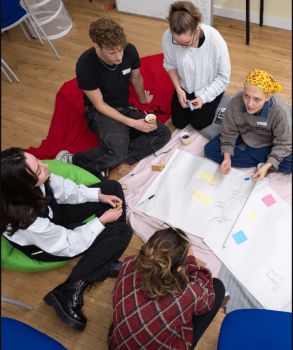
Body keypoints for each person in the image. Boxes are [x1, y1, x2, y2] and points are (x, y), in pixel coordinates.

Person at [0, 147, 133, 332]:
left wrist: (98, 195)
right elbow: (68, 244)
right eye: (38, 170)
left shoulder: (38, 179)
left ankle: (102, 257)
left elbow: (65, 190)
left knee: (112, 188)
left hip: (53, 216)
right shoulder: (27, 221)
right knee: (122, 232)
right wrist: (102, 221)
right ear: (23, 187)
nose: (45, 166)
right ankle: (69, 290)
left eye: (38, 161)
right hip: (47, 246)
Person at [56, 18, 171, 178]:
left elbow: (136, 77)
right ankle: (72, 159)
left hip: (124, 107)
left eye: (120, 50)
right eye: (112, 52)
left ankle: (115, 157)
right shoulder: (85, 65)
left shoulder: (129, 50)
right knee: (117, 151)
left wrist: (142, 98)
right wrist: (132, 123)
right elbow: (99, 104)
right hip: (100, 112)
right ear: (97, 46)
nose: (118, 57)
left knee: (163, 133)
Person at [108, 227, 226, 349]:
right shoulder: (186, 294)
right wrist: (191, 262)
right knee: (217, 288)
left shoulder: (128, 263)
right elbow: (206, 301)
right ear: (180, 268)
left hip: (116, 345)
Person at [204, 69, 292, 180]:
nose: (250, 104)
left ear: (268, 97)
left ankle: (264, 164)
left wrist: (268, 164)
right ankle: (262, 160)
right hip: (244, 133)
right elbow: (228, 132)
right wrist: (227, 156)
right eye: (246, 96)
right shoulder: (235, 102)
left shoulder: (280, 112)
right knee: (210, 150)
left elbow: (283, 143)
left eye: (257, 99)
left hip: (269, 141)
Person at [162, 1, 231, 132]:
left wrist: (204, 98)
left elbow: (223, 77)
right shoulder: (167, 36)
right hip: (185, 87)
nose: (182, 46)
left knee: (199, 123)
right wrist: (178, 89)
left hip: (208, 87)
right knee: (179, 122)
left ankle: (220, 98)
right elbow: (169, 65)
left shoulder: (215, 40)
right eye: (177, 42)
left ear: (197, 30)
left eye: (187, 42)